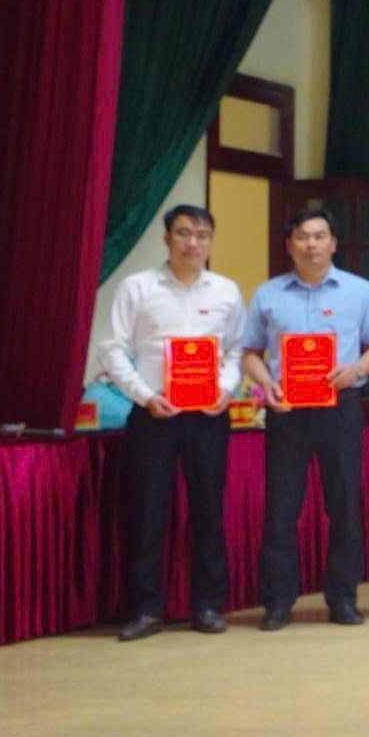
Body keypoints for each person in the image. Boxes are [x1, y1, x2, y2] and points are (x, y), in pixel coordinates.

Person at [238, 206, 369, 630]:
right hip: (286, 410)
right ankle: (278, 602)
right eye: (302, 237)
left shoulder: (360, 291)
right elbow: (249, 353)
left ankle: (343, 599)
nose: (311, 244)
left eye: (320, 236)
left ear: (334, 243)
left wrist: (356, 370)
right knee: (281, 507)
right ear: (289, 244)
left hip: (340, 407)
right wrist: (267, 385)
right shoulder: (267, 294)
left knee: (345, 504)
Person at [101, 204, 244, 641]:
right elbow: (111, 349)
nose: (192, 243)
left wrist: (225, 389)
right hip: (153, 414)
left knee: (208, 510)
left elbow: (236, 350)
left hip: (208, 417)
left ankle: (208, 606)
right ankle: (146, 610)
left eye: (202, 235)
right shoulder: (137, 287)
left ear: (210, 242)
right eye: (183, 233)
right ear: (167, 239)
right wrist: (145, 395)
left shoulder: (226, 291)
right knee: (148, 511)